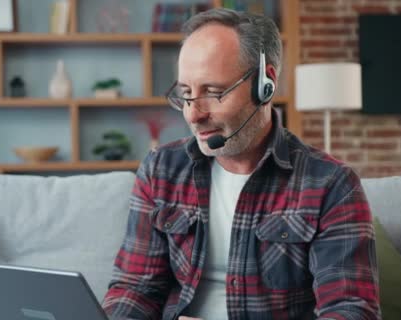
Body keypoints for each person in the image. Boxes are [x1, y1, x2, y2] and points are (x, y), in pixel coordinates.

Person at [102, 8, 380, 320]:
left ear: (266, 84)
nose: (193, 114)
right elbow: (135, 289)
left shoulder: (332, 184)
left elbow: (351, 311)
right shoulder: (160, 171)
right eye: (186, 94)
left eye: (214, 92)